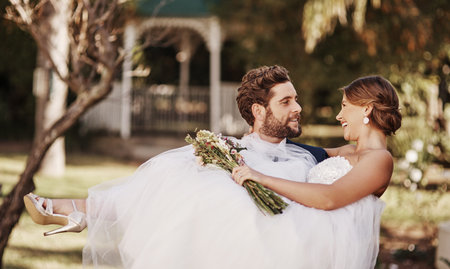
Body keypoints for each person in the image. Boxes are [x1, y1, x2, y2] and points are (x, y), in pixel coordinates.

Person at [23, 65, 401, 269]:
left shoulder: (379, 160)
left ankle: (81, 212)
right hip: (295, 216)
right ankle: (81, 210)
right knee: (185, 174)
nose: (338, 115)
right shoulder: (344, 154)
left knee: (216, 197)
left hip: (309, 238)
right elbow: (304, 153)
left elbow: (332, 197)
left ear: (367, 109)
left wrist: (257, 176)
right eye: (288, 101)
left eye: (346, 107)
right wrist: (231, 151)